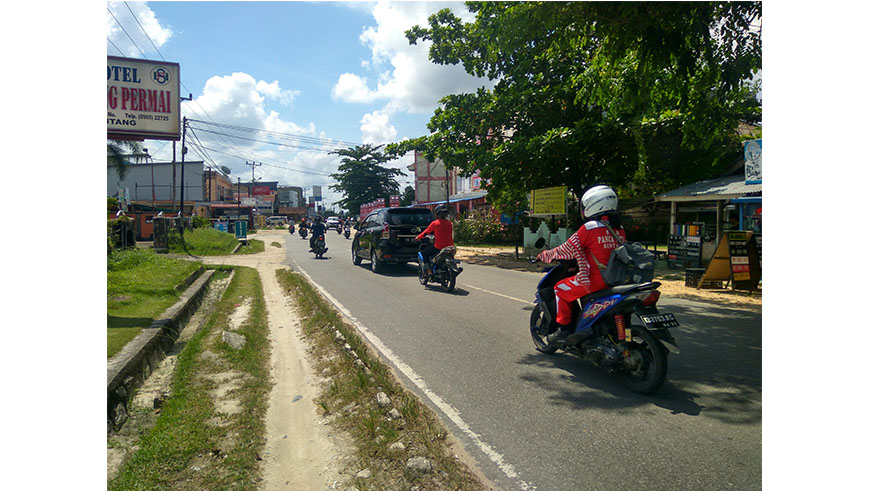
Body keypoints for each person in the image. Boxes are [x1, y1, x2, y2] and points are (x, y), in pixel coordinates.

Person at [536, 185, 626, 343]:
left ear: (592, 205)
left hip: (595, 281)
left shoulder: (589, 228)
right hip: (617, 279)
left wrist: (545, 255)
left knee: (559, 288)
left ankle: (563, 330)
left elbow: (566, 249)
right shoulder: (619, 229)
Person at [415, 204, 455, 276]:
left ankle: (429, 271)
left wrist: (418, 237)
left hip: (438, 247)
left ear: (437, 214)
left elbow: (426, 232)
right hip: (450, 246)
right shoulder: (450, 224)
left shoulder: (435, 223)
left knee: (424, 254)